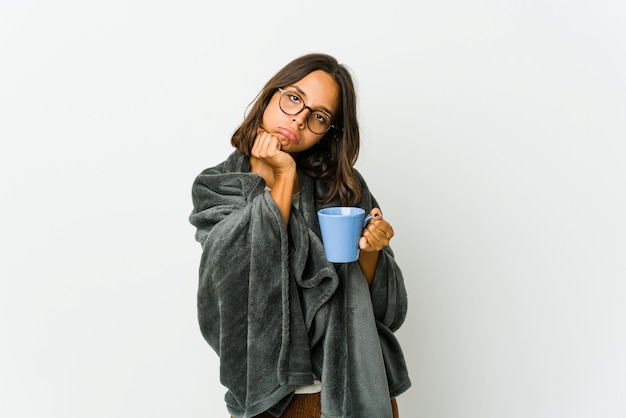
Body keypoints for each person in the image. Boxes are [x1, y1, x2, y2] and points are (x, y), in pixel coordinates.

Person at [189, 53, 411, 418]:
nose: (299, 119)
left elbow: (382, 310)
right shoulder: (218, 186)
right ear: (270, 96)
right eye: (294, 98)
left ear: (329, 131)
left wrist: (372, 249)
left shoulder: (342, 188)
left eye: (319, 116)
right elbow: (230, 282)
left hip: (356, 388)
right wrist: (284, 177)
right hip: (276, 401)